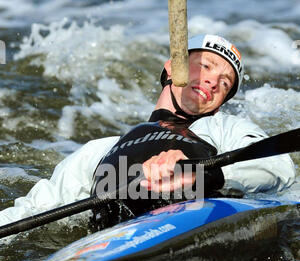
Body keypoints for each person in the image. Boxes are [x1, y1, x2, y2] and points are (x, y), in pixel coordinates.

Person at [0, 34, 296, 229]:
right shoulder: (99, 150)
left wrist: (204, 174)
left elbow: (276, 165)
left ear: (220, 104)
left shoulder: (224, 128)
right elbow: (32, 210)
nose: (213, 82)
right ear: (170, 68)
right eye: (205, 66)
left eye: (225, 83)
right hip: (116, 241)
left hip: (196, 224)